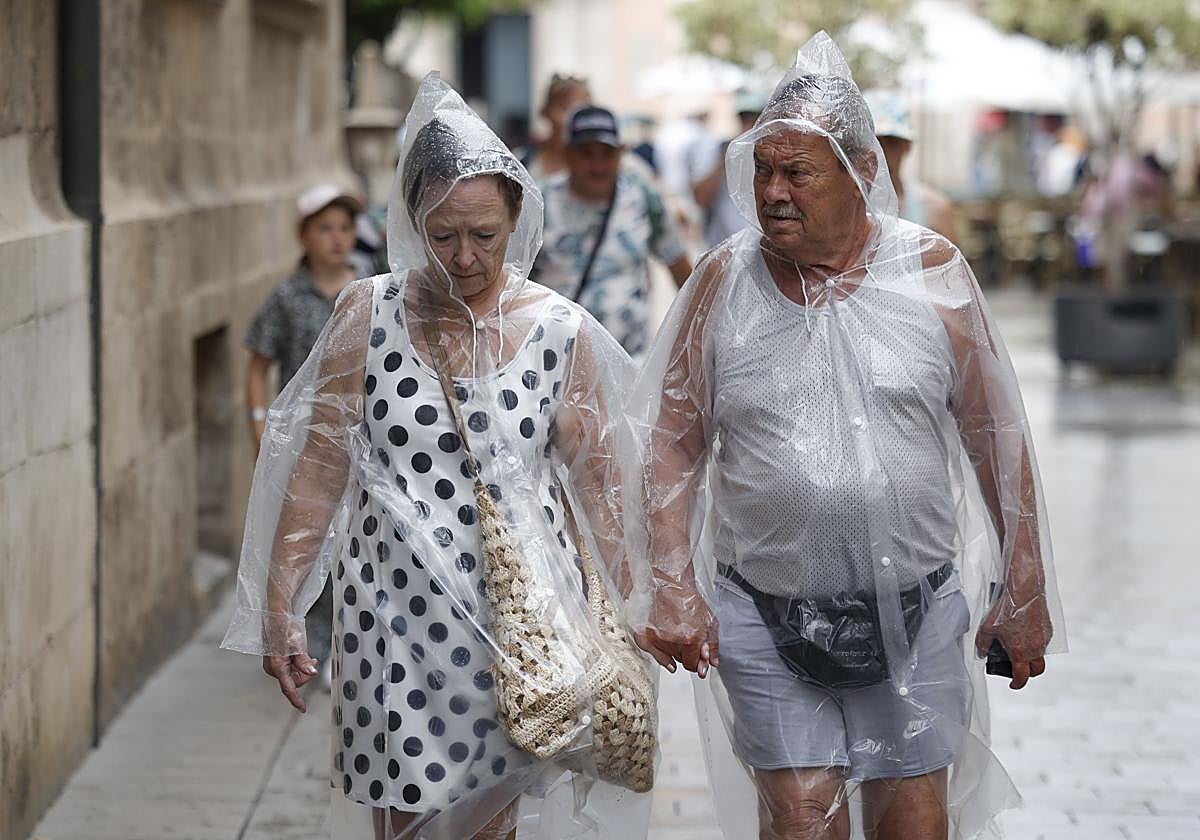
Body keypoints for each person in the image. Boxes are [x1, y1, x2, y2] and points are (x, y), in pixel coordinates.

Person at [624, 33, 1064, 840]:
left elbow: (997, 434)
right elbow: (669, 441)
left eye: (798, 172)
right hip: (763, 605)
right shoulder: (724, 280)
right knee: (801, 820)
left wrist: (1024, 583)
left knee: (912, 824)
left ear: (862, 173)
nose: (772, 193)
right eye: (762, 169)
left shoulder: (931, 271)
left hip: (919, 605)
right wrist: (671, 582)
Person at [222, 73, 652, 840]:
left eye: (483, 234)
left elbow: (600, 483)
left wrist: (644, 607)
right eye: (442, 233)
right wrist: (283, 604)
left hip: (518, 621)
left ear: (516, 218)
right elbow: (320, 465)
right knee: (408, 821)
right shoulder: (367, 312)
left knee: (494, 824)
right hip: (395, 619)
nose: (463, 255)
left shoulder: (560, 331)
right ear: (413, 220)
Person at [243, 183, 366, 678]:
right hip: (302, 439)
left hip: (358, 438)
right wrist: (259, 426)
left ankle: (349, 640)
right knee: (303, 537)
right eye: (325, 229)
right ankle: (307, 644)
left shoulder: (369, 289)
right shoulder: (287, 297)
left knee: (351, 537)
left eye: (344, 228)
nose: (337, 239)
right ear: (304, 236)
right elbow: (257, 366)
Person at [532, 105, 692, 358]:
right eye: (587, 154)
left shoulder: (642, 195)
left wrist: (692, 341)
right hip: (552, 362)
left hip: (627, 364)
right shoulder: (537, 201)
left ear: (620, 154)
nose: (598, 166)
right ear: (568, 154)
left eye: (607, 154)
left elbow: (680, 267)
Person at [865, 90, 958, 244]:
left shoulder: (934, 210)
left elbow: (953, 266)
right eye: (874, 141)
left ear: (907, 146)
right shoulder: (842, 210)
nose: (882, 152)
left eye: (891, 142)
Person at [689, 90, 765, 248]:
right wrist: (726, 159)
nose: (749, 125)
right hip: (723, 248)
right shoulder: (718, 150)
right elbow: (699, 198)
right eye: (744, 119)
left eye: (754, 119)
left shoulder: (772, 156)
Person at [522, 73, 591, 180]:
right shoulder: (523, 162)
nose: (571, 118)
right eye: (564, 107)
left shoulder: (603, 168)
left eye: (581, 110)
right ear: (546, 110)